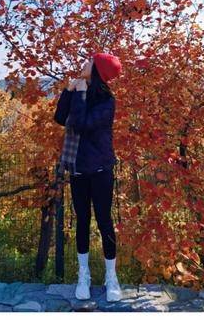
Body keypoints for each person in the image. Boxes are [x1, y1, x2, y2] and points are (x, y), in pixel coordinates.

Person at [53, 53, 123, 302]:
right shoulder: (78, 88)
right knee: (82, 221)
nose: (84, 62)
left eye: (90, 61)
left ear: (97, 71)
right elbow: (61, 118)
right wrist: (69, 90)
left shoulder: (107, 101)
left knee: (104, 222)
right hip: (79, 169)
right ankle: (84, 274)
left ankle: (110, 277)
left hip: (101, 169)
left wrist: (79, 93)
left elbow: (80, 124)